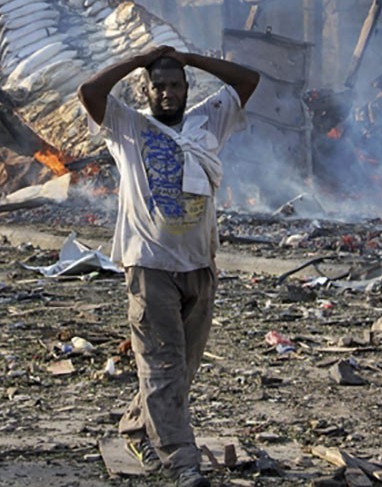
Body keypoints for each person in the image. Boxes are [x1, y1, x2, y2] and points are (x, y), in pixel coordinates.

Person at [77, 45, 259, 487]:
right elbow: (89, 90)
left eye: (175, 85)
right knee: (162, 365)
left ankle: (138, 427)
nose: (167, 93)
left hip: (199, 263)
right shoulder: (127, 126)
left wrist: (190, 59)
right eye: (158, 86)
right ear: (146, 90)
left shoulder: (206, 120)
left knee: (183, 368)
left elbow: (247, 80)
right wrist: (140, 59)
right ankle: (183, 462)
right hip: (149, 265)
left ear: (186, 88)